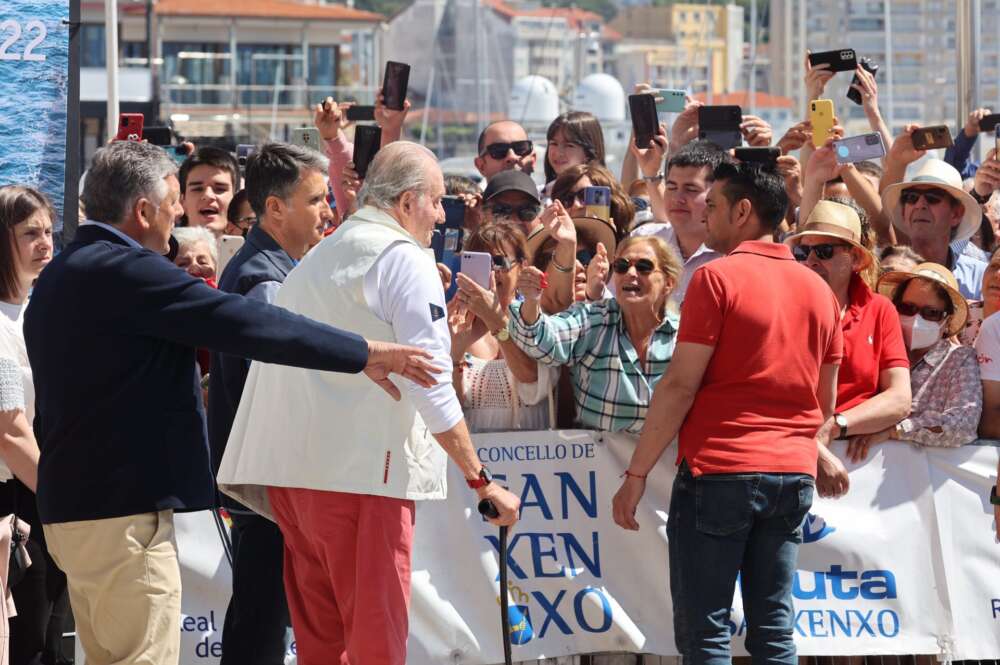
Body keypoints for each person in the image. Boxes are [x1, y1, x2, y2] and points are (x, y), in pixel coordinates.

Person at [23, 140, 440, 665]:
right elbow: (245, 322)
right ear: (144, 210)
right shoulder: (126, 271)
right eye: (174, 202)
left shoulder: (63, 271)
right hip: (121, 515)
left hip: (76, 511)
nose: (179, 214)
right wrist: (363, 351)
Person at [216, 141, 520, 665]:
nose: (442, 214)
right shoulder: (403, 257)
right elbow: (429, 381)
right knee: (376, 643)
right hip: (361, 482)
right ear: (406, 202)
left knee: (320, 645)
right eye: (437, 201)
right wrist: (480, 479)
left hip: (297, 478)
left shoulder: (324, 252)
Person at [612, 160, 843, 663]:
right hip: (791, 474)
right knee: (774, 630)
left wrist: (636, 474)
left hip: (721, 471)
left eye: (712, 206)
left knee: (706, 633)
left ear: (743, 211)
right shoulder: (821, 292)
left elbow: (678, 387)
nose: (702, 214)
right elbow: (824, 404)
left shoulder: (716, 279)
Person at [206, 142, 337, 665]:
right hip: (270, 483)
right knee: (261, 621)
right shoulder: (265, 278)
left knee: (260, 616)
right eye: (316, 200)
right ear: (276, 207)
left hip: (268, 477)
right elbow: (286, 379)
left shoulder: (276, 268)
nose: (328, 211)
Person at [507, 235, 681, 434]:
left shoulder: (684, 336)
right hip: (597, 463)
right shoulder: (594, 319)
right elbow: (539, 339)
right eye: (622, 266)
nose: (631, 273)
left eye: (643, 266)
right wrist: (531, 300)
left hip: (668, 462)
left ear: (669, 282)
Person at [0, 185, 72, 665]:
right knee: (28, 643)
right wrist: (65, 502)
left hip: (43, 493)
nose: (46, 243)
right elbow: (9, 433)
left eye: (49, 231)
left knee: (53, 642)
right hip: (19, 501)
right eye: (30, 234)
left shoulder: (38, 312)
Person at [785, 200, 912, 468]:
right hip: (787, 451)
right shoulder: (779, 305)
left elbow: (900, 398)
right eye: (803, 251)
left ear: (854, 258)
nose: (810, 260)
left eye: (824, 250)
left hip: (856, 463)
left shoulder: (879, 310)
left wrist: (835, 426)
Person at [848, 264, 981, 454]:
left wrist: (894, 431)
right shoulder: (872, 348)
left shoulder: (959, 359)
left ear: (947, 321)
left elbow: (963, 424)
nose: (917, 319)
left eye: (931, 313)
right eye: (907, 308)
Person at [449, 223, 555, 432]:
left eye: (498, 262)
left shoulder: (536, 319)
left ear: (522, 266)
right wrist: (455, 355)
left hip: (534, 457)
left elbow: (532, 383)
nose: (491, 272)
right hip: (475, 456)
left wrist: (496, 321)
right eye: (482, 262)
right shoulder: (453, 324)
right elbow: (450, 408)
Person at [881, 144, 986, 299]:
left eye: (933, 198)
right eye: (911, 197)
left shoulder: (981, 279)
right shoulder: (885, 270)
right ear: (904, 212)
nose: (919, 205)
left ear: (956, 214)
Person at [630, 138, 726, 302]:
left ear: (718, 194)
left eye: (691, 189)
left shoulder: (733, 254)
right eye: (672, 187)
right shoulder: (643, 241)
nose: (677, 198)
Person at [550, 163, 634, 241]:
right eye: (567, 199)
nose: (576, 205)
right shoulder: (549, 250)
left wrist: (608, 240)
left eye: (584, 195)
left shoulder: (631, 247)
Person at [178, 146, 240, 237]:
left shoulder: (255, 250)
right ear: (182, 201)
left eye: (220, 189)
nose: (208, 195)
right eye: (197, 189)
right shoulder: (163, 250)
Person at [544, 111, 606, 187]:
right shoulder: (540, 194)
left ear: (589, 153)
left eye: (569, 145)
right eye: (554, 143)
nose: (558, 153)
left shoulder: (603, 196)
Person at [481, 169, 543, 237]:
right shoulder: (472, 246)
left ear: (540, 218)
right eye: (501, 210)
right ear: (483, 214)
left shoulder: (554, 244)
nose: (514, 220)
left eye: (527, 211)